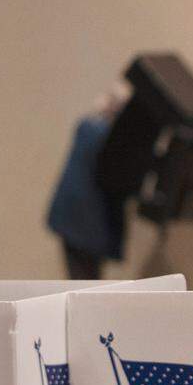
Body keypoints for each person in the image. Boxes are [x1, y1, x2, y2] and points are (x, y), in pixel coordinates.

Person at [46, 84, 130, 279]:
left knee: (85, 280)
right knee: (84, 282)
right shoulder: (96, 133)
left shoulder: (91, 128)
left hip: (80, 222)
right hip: (82, 223)